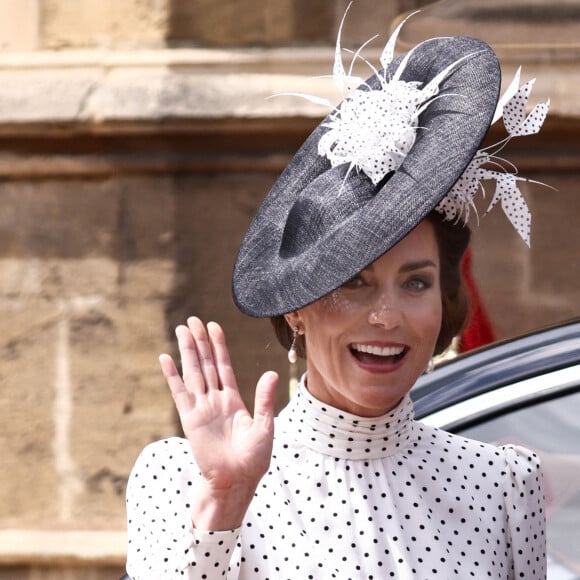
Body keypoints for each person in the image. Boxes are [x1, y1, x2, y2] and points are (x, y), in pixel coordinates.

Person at [125, 12, 549, 579]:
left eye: (416, 282)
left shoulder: (501, 485)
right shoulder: (182, 476)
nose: (388, 315)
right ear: (298, 306)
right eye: (355, 282)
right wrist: (223, 503)